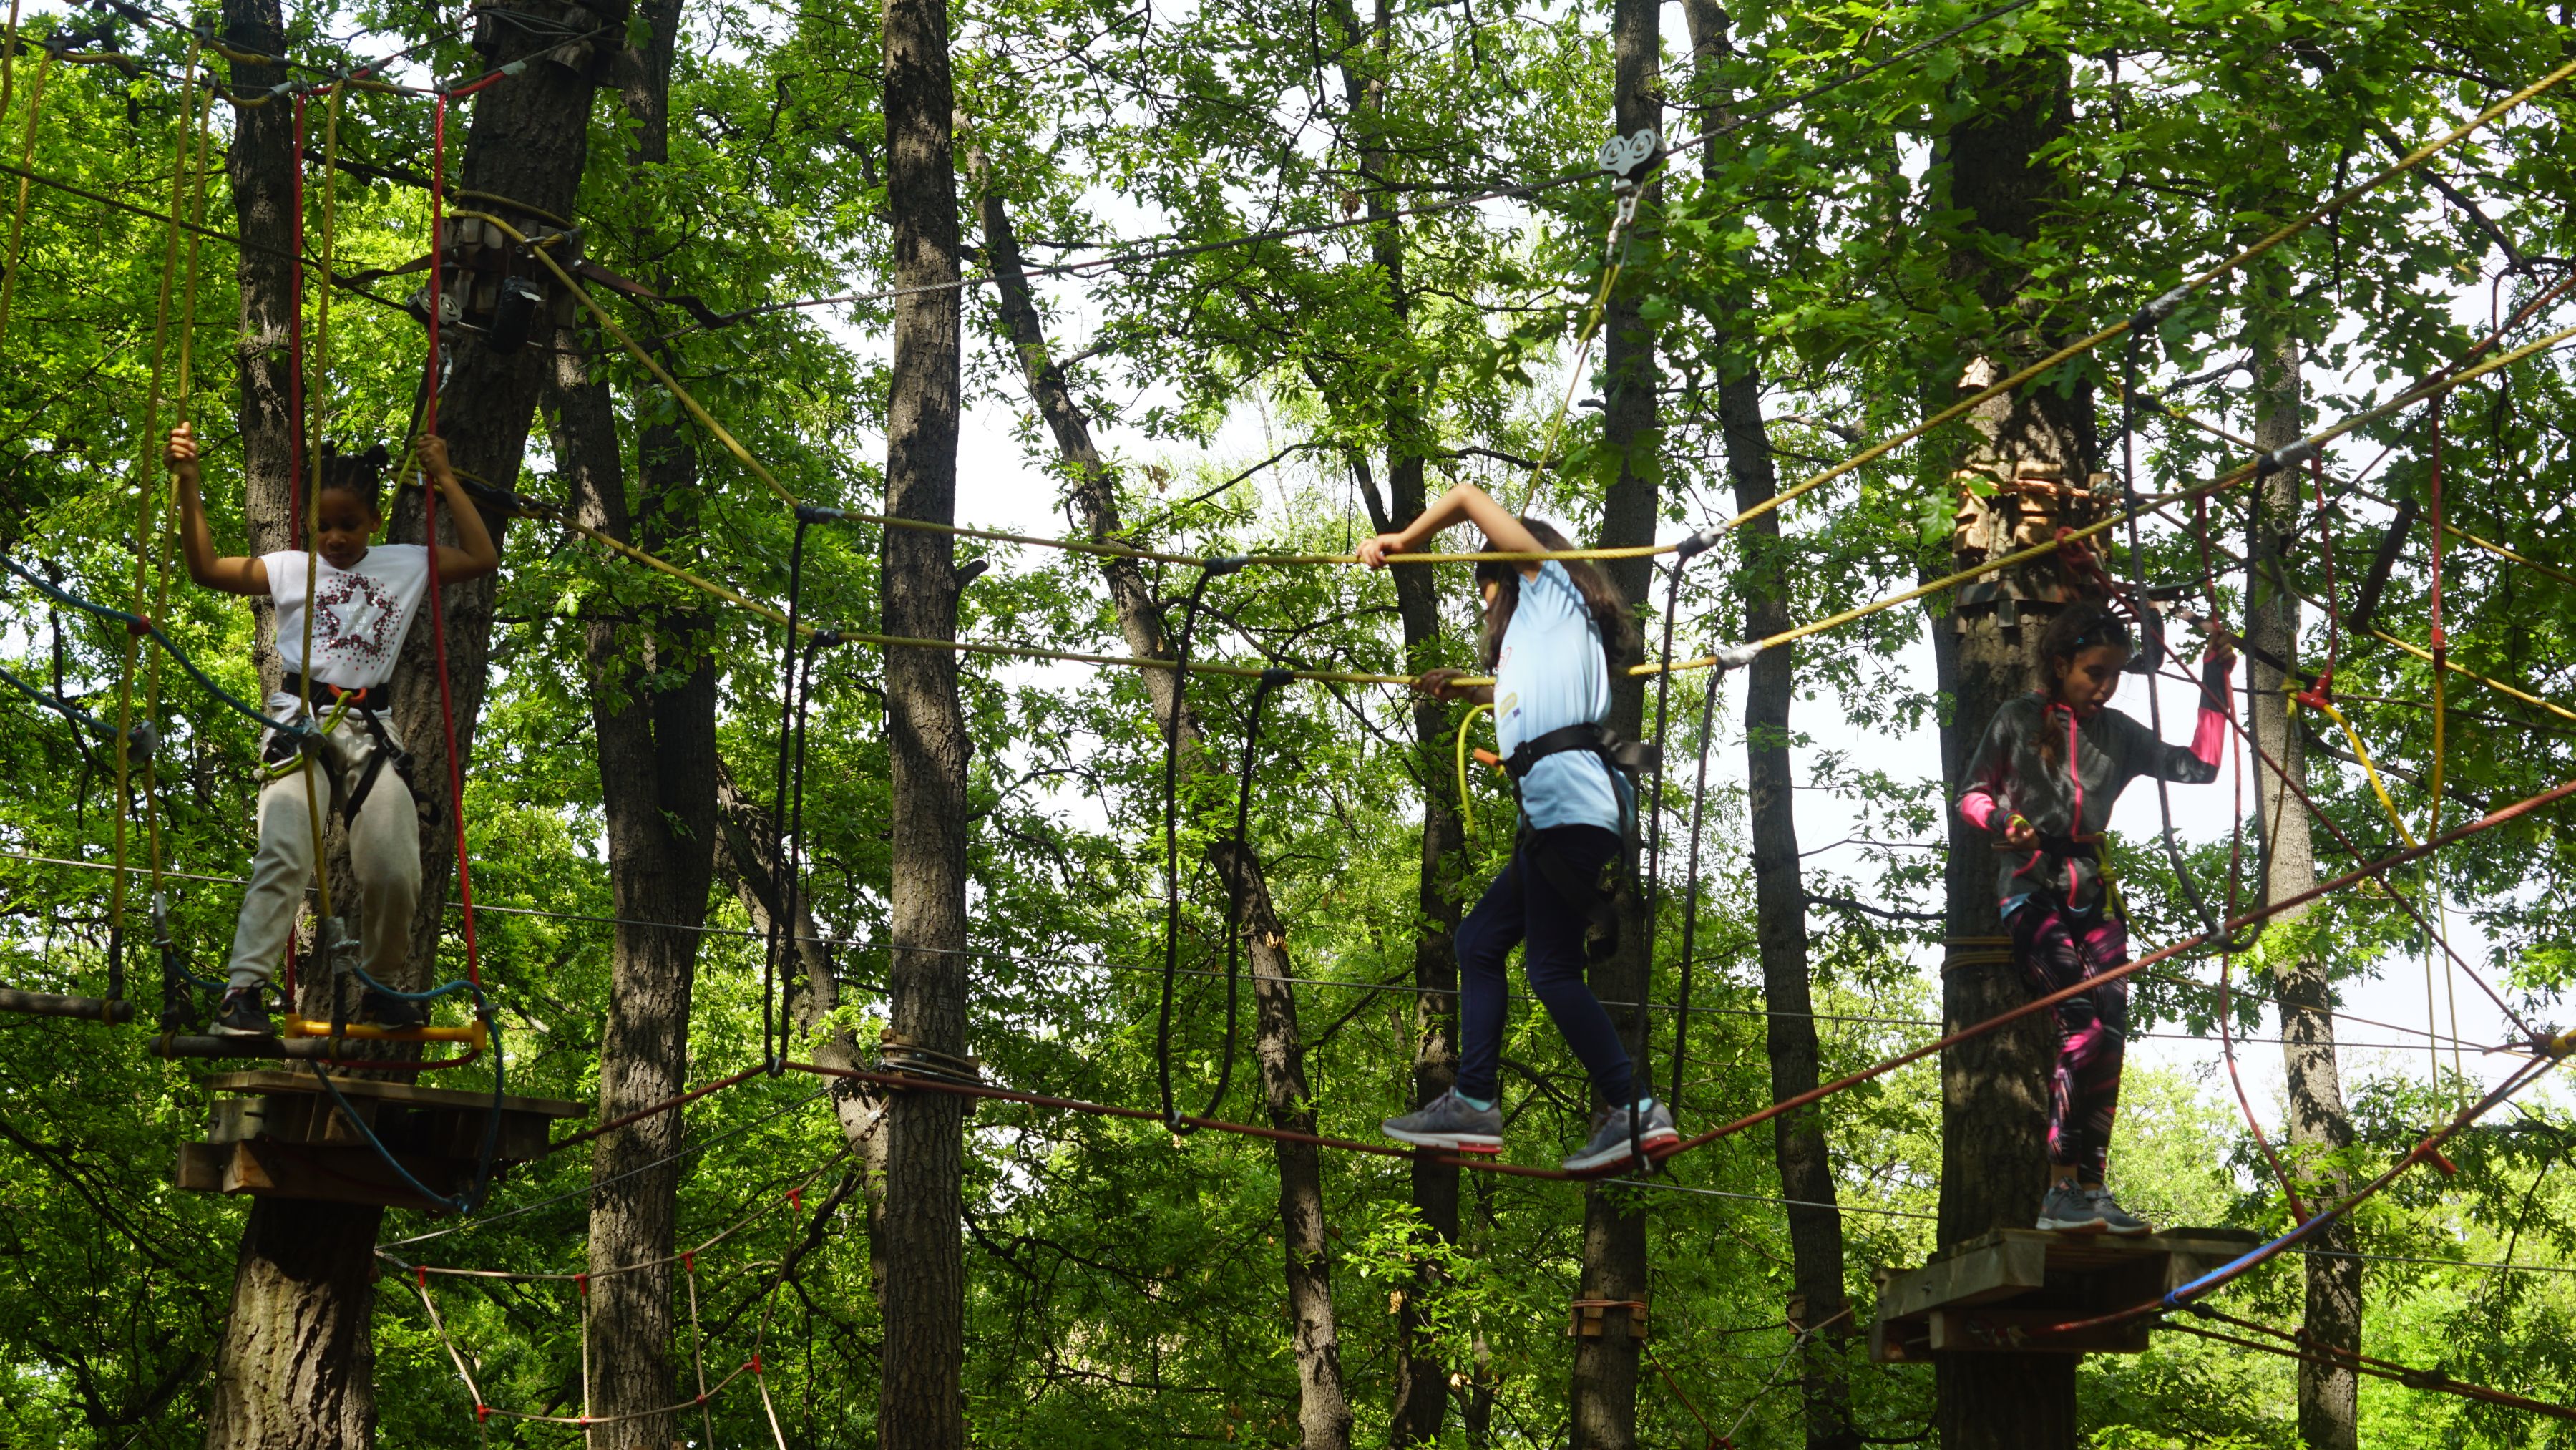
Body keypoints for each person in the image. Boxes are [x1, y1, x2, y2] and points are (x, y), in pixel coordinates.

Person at [1360, 481, 1678, 1174]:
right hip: (1561, 817)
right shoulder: (1549, 639)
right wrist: (1470, 687)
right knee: (1478, 940)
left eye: (1484, 592)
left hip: (1571, 810)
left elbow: (1468, 495)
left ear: (1508, 576)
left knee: (1552, 968)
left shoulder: (1549, 584)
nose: (1484, 610)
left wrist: (1403, 541)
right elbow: (1529, 699)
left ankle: (1631, 1108)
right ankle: (1476, 1101)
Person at [167, 422, 501, 1037]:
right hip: (300, 722)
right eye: (323, 526)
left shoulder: (406, 564)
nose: (335, 538)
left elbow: (482, 558)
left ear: (374, 520)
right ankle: (243, 992)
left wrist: (446, 480)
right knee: (286, 851)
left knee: (396, 868)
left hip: (371, 730)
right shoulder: (290, 569)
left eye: (348, 524)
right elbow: (206, 568)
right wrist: (189, 484)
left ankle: (380, 987)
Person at [1955, 598, 2234, 1234]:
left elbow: (2200, 767)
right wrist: (2002, 821)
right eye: (2094, 673)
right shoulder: (2017, 719)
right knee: (2080, 1028)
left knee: (2109, 1037)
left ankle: (2092, 1187)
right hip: (2030, 889)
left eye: (2114, 674)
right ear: (2061, 665)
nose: (2106, 687)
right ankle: (2059, 1190)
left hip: (2093, 893)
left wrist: (2215, 681)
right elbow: (1971, 794)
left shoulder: (2118, 733)